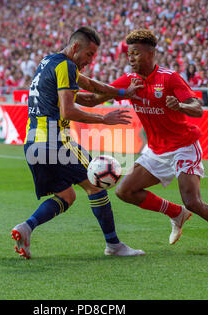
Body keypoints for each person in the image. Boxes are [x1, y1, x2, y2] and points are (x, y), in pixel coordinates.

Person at [76, 29, 208, 258]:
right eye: (129, 54)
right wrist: (62, 92)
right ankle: (175, 213)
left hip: (183, 145)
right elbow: (94, 99)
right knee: (125, 191)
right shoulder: (129, 81)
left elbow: (198, 108)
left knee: (192, 201)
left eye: (136, 53)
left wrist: (180, 106)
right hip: (156, 151)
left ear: (151, 54)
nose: (131, 58)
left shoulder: (169, 77)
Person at [11, 26, 145, 259]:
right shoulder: (67, 66)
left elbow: (92, 92)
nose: (90, 61)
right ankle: (113, 245)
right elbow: (68, 109)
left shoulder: (49, 63)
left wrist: (123, 92)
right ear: (75, 47)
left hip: (33, 144)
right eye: (89, 55)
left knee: (67, 196)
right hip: (55, 142)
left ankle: (26, 227)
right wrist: (104, 119)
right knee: (96, 183)